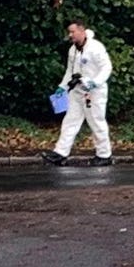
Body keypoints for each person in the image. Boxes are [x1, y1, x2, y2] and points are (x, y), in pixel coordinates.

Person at [49, 22, 113, 162]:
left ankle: (104, 155)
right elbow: (70, 71)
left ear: (82, 31)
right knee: (70, 121)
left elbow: (106, 68)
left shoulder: (96, 48)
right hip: (77, 90)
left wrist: (95, 82)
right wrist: (63, 86)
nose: (70, 35)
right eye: (69, 32)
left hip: (94, 93)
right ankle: (60, 153)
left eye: (73, 32)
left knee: (96, 122)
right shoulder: (73, 50)